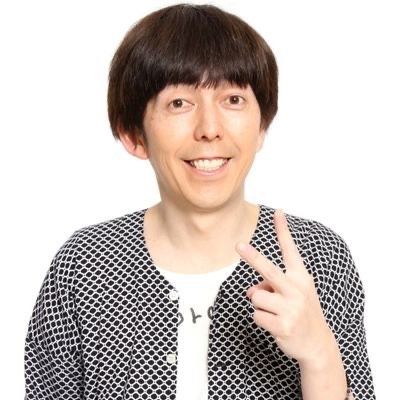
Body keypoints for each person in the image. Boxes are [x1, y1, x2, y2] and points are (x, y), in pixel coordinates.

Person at [24, 3, 376, 399]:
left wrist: (319, 356)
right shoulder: (84, 265)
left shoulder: (320, 258)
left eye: (233, 100)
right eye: (179, 103)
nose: (209, 129)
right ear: (133, 135)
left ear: (261, 126)